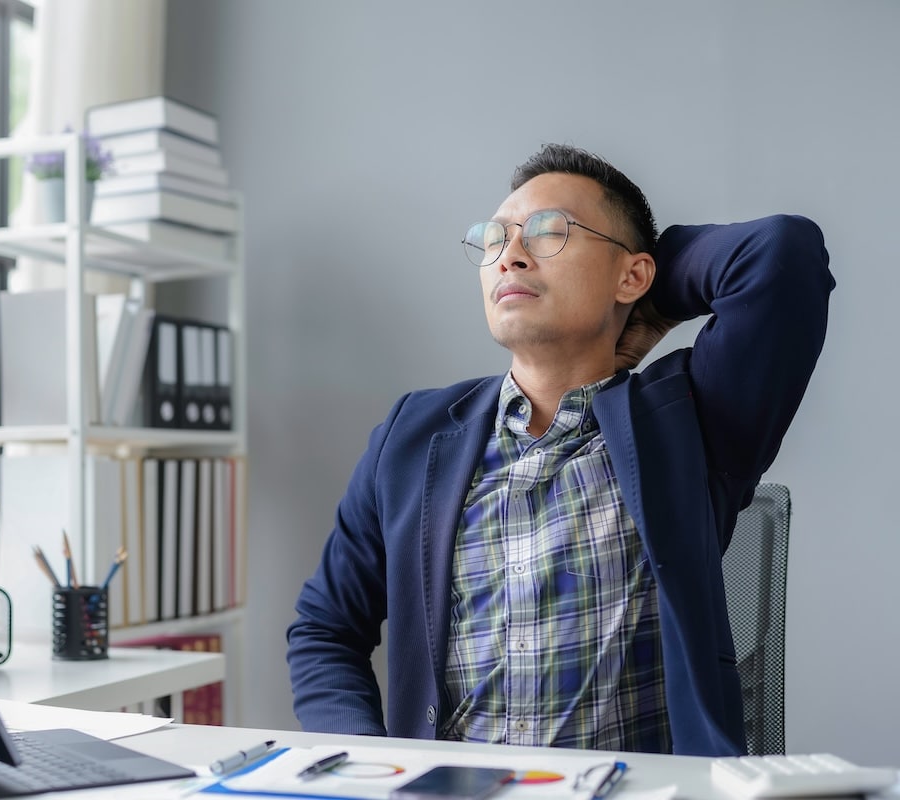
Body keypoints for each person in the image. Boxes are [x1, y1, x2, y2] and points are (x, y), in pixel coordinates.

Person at [286, 143, 833, 757]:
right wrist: (375, 764)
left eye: (549, 233)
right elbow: (324, 630)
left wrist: (647, 299)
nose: (509, 256)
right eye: (493, 239)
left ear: (633, 273)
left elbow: (780, 255)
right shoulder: (411, 435)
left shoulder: (689, 421)